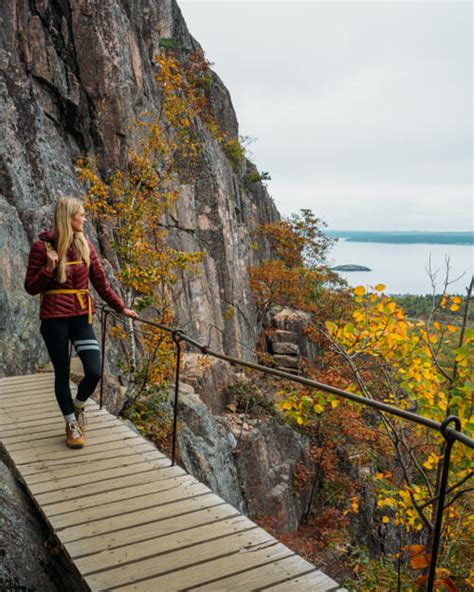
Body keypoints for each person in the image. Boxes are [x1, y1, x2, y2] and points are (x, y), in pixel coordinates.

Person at [24, 196, 138, 449]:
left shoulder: (86, 245)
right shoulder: (43, 248)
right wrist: (49, 269)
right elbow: (30, 287)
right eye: (81, 215)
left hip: (80, 317)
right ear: (69, 218)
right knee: (62, 374)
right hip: (54, 319)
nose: (85, 219)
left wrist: (121, 308)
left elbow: (101, 283)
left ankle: (77, 407)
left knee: (94, 371)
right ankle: (70, 424)